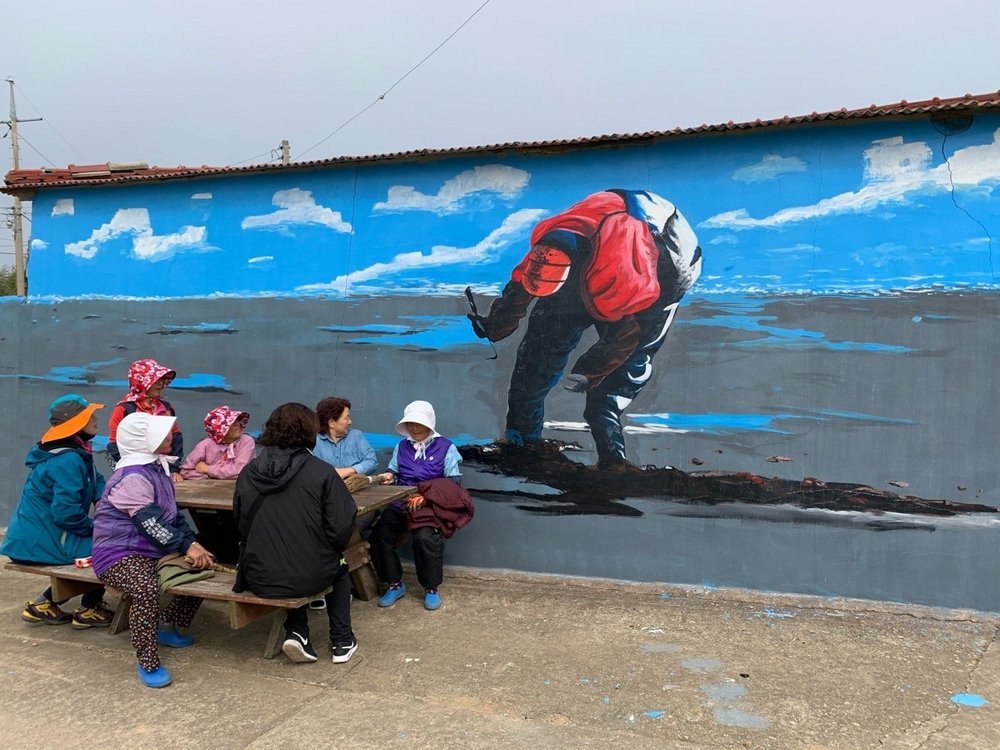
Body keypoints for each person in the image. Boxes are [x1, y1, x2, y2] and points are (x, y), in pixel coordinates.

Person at [467, 189, 703, 466]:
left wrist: (588, 372)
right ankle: (522, 442)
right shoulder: (547, 244)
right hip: (596, 244)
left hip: (663, 267)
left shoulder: (620, 275)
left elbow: (624, 338)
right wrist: (494, 325)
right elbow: (521, 287)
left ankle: (613, 462)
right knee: (534, 361)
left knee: (614, 383)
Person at [92, 412, 214, 688]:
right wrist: (185, 545)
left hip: (154, 550)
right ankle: (147, 660)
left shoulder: (159, 468)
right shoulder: (132, 477)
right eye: (162, 433)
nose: (171, 435)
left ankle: (169, 625)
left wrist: (193, 545)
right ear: (143, 441)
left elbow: (173, 517)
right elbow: (149, 523)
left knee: (204, 563)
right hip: (118, 553)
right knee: (145, 590)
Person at [233, 403, 359, 664]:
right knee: (342, 564)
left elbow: (241, 522)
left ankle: (298, 631)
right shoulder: (321, 471)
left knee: (292, 560)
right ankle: (342, 640)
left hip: (257, 576)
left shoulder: (248, 472)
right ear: (310, 431)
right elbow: (341, 528)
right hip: (310, 574)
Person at [1, 394, 114, 628]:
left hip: (39, 536)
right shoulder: (68, 459)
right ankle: (85, 608)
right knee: (113, 547)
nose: (95, 420)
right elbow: (66, 513)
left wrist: (101, 498)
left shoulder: (73, 451)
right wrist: (97, 527)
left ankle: (46, 606)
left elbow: (95, 478)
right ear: (74, 425)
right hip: (40, 542)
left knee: (109, 541)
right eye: (88, 416)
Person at [370, 400, 464, 611]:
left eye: (419, 424)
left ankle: (431, 588)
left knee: (424, 539)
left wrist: (426, 497)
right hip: (400, 502)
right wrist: (389, 477)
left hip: (428, 505)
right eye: (411, 424)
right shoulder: (401, 446)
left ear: (429, 423)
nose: (414, 428)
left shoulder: (446, 447)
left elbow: (454, 482)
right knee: (380, 536)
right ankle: (394, 583)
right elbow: (395, 473)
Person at [107, 358, 183, 479]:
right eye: (156, 380)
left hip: (164, 471)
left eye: (162, 380)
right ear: (141, 382)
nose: (161, 384)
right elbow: (114, 444)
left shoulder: (166, 408)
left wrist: (174, 469)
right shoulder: (123, 409)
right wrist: (131, 471)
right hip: (134, 473)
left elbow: (176, 438)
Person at [179, 405, 255, 480]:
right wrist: (208, 477)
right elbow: (185, 471)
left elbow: (239, 471)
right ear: (220, 430)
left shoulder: (246, 441)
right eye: (233, 424)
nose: (238, 425)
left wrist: (207, 469)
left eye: (238, 422)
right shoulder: (206, 445)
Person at [312, 397, 378, 481]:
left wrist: (347, 471)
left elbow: (372, 462)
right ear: (331, 422)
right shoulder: (314, 442)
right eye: (346, 418)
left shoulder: (356, 436)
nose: (350, 422)